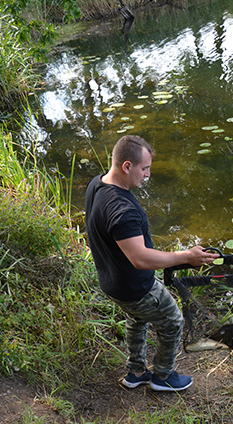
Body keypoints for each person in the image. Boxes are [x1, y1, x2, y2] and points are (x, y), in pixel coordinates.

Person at [84, 135, 219, 391]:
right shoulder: (122, 210)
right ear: (126, 166)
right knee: (172, 321)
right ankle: (163, 377)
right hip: (135, 287)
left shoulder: (97, 184)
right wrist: (186, 257)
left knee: (137, 318)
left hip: (112, 282)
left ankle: (135, 372)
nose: (148, 175)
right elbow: (141, 258)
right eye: (144, 168)